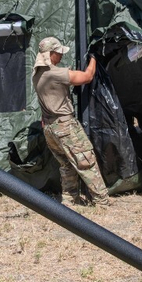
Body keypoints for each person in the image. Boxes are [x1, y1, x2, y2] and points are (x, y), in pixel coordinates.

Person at [32, 36, 110, 206]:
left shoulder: (36, 74)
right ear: (51, 54)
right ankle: (102, 200)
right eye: (58, 53)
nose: (60, 56)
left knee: (66, 164)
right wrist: (94, 58)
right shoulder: (55, 74)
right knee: (86, 160)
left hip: (50, 128)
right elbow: (87, 76)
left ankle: (69, 200)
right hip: (65, 126)